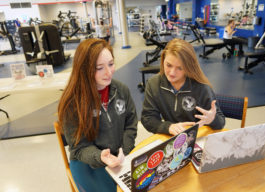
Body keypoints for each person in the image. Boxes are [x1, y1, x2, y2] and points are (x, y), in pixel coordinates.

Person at [57, 38, 138, 192]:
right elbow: (79, 148)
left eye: (111, 64)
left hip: (120, 156)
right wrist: (100, 156)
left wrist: (124, 152)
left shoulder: (121, 90)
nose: (109, 72)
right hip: (88, 163)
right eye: (99, 68)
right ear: (84, 69)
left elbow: (130, 124)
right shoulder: (72, 103)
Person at [141, 38, 225, 136]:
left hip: (197, 137)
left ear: (189, 67)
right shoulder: (153, 84)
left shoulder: (202, 87)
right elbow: (147, 118)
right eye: (168, 65)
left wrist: (212, 119)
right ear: (163, 60)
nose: (172, 73)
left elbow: (221, 122)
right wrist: (167, 127)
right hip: (171, 136)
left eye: (180, 68)